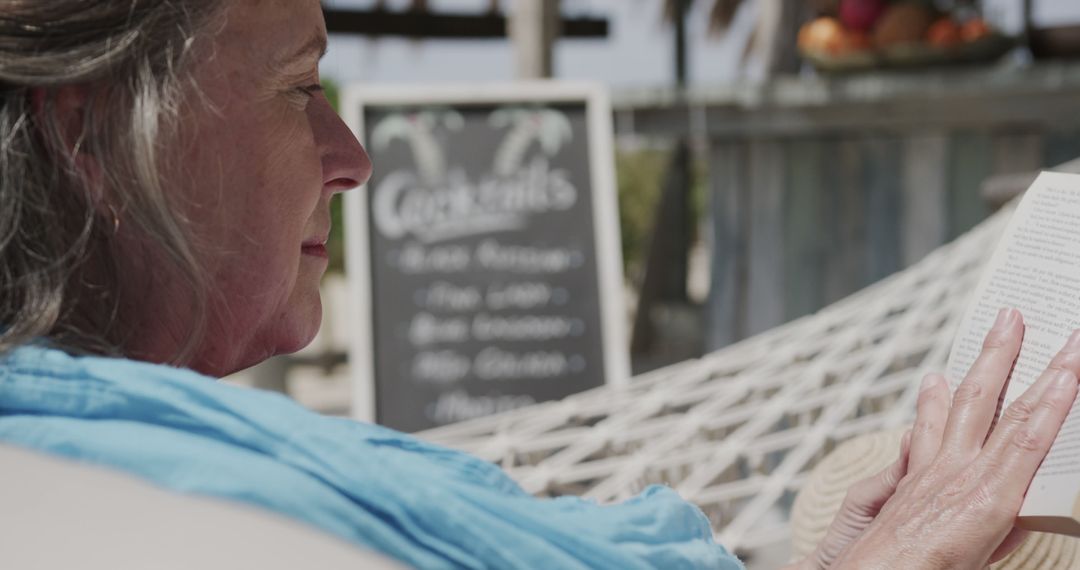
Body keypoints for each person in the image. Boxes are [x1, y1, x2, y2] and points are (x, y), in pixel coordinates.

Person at [0, 1, 1075, 568]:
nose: (354, 155)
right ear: (94, 135)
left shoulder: (127, 457)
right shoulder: (165, 508)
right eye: (299, 86)